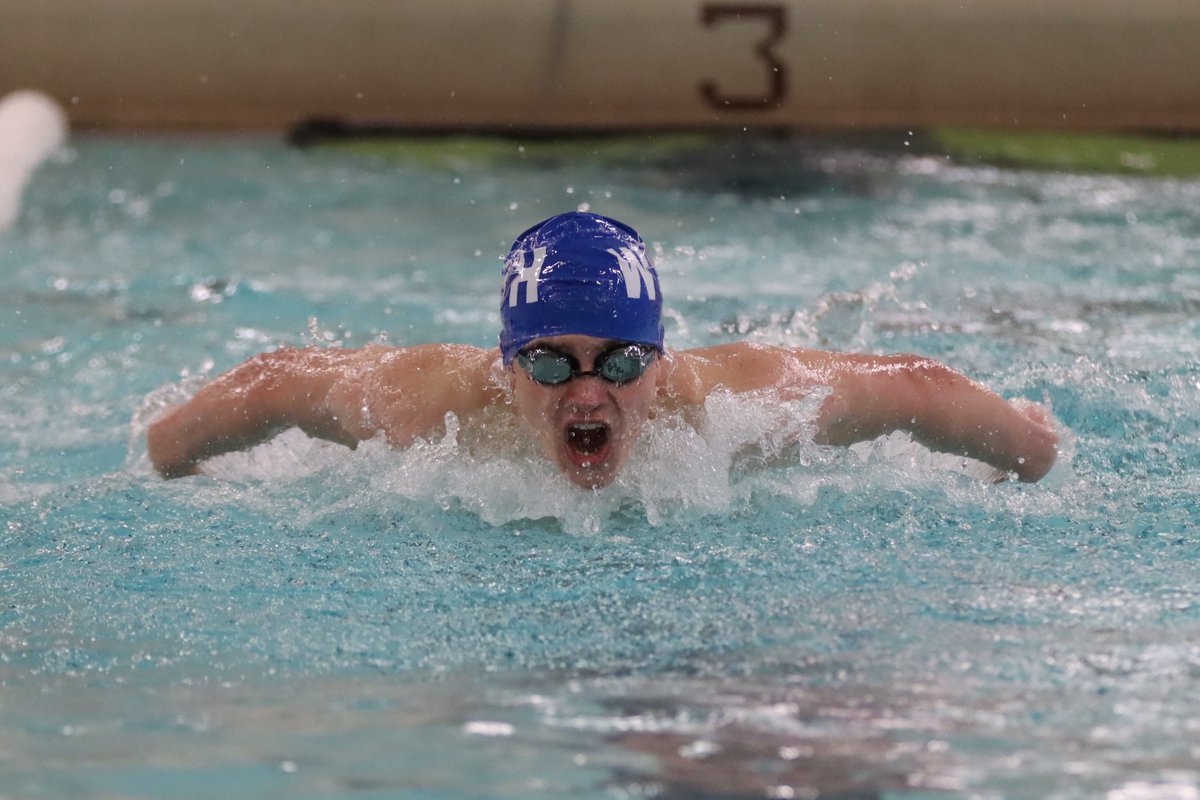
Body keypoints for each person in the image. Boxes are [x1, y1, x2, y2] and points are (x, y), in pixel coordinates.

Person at [147, 211, 1058, 486]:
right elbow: (272, 384)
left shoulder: (734, 406)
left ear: (661, 362)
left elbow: (922, 390)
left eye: (619, 361)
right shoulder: (426, 408)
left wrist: (1029, 445)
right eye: (551, 361)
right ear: (507, 368)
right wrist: (169, 452)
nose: (588, 391)